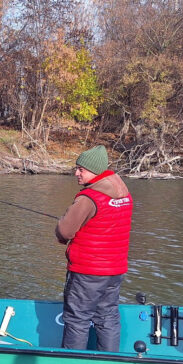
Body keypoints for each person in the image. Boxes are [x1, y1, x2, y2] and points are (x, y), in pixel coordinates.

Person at [55, 145, 132, 352]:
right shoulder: (124, 194)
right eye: (76, 168)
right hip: (115, 270)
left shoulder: (88, 198)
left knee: (77, 320)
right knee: (107, 317)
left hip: (87, 272)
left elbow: (64, 232)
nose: (76, 173)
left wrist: (62, 224)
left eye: (81, 169)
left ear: (96, 171)